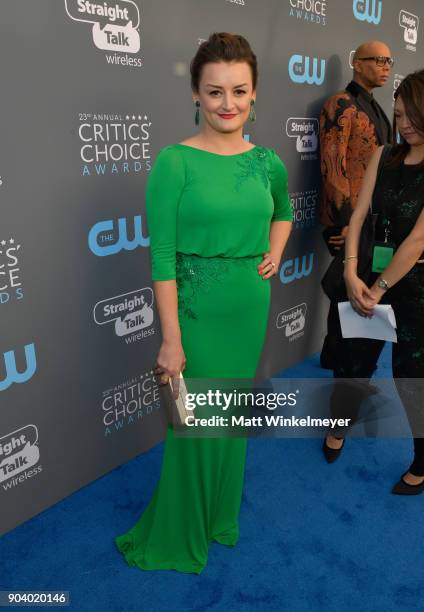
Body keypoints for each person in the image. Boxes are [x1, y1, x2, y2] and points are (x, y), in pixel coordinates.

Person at [115, 32, 293, 572]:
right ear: (195, 93)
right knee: (192, 425)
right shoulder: (174, 162)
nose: (228, 104)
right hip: (193, 313)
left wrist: (276, 253)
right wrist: (170, 339)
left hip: (248, 304)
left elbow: (283, 210)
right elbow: (162, 258)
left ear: (255, 93)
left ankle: (219, 514)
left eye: (239, 91)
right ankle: (181, 530)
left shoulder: (266, 162)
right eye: (214, 92)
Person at [343, 69, 424, 494]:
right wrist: (350, 269)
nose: (404, 123)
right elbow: (358, 216)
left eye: (413, 116)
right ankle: (339, 424)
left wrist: (377, 290)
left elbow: (418, 241)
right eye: (398, 114)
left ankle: (423, 458)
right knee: (354, 359)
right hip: (372, 274)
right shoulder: (384, 155)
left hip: (415, 288)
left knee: (411, 376)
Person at [319, 40, 393, 372]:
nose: (385, 66)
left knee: (356, 291)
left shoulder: (377, 108)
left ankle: (345, 361)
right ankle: (340, 365)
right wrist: (346, 224)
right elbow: (333, 167)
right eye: (377, 60)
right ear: (357, 63)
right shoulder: (341, 104)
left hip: (372, 219)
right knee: (345, 291)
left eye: (389, 61)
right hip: (348, 220)